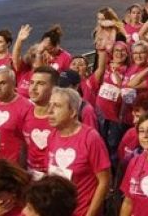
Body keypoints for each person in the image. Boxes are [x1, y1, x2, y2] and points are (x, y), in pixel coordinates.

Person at [46, 87, 110, 216]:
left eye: (57, 106)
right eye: (50, 105)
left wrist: (90, 214)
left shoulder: (91, 138)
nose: (50, 111)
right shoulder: (52, 136)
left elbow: (105, 181)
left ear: (73, 112)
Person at [0, 66, 32, 164]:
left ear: (13, 84)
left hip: (12, 169)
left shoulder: (26, 107)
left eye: (2, 83)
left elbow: (28, 144)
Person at [22, 66, 58, 178]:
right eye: (32, 83)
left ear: (54, 88)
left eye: (41, 84)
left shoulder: (61, 118)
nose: (33, 88)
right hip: (30, 176)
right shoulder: (24, 113)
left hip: (54, 180)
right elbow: (23, 146)